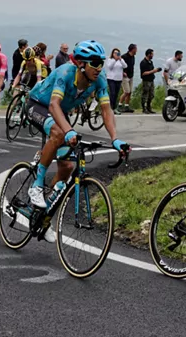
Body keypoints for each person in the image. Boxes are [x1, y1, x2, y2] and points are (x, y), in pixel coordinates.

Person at [24, 40, 130, 241]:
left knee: (67, 167)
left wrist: (115, 139)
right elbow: (54, 105)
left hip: (57, 113)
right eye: (95, 63)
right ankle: (36, 186)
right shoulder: (66, 73)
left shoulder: (99, 81)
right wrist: (69, 131)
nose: (99, 68)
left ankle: (43, 216)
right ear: (81, 63)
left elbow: (106, 110)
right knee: (58, 133)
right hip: (37, 105)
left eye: (101, 63)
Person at [105, 48, 127, 115]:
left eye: (118, 53)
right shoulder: (110, 60)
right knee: (112, 93)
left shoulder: (121, 60)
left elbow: (125, 66)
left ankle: (114, 108)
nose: (116, 54)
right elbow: (110, 67)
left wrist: (120, 59)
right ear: (112, 53)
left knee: (116, 94)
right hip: (111, 79)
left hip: (118, 79)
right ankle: (110, 108)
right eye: (115, 53)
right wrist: (115, 60)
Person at [139, 48, 161, 114]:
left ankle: (149, 107)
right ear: (149, 54)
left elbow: (151, 70)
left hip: (151, 80)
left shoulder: (150, 62)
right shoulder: (143, 62)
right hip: (146, 80)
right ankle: (144, 108)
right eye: (152, 54)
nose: (153, 56)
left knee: (151, 95)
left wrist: (156, 71)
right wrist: (153, 71)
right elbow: (143, 73)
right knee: (145, 95)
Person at [119, 44, 137, 113]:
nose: (136, 50)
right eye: (136, 49)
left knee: (130, 92)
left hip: (131, 76)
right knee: (126, 91)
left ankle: (127, 106)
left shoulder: (133, 57)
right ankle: (119, 105)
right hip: (125, 77)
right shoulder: (124, 56)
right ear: (132, 49)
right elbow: (119, 66)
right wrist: (123, 72)